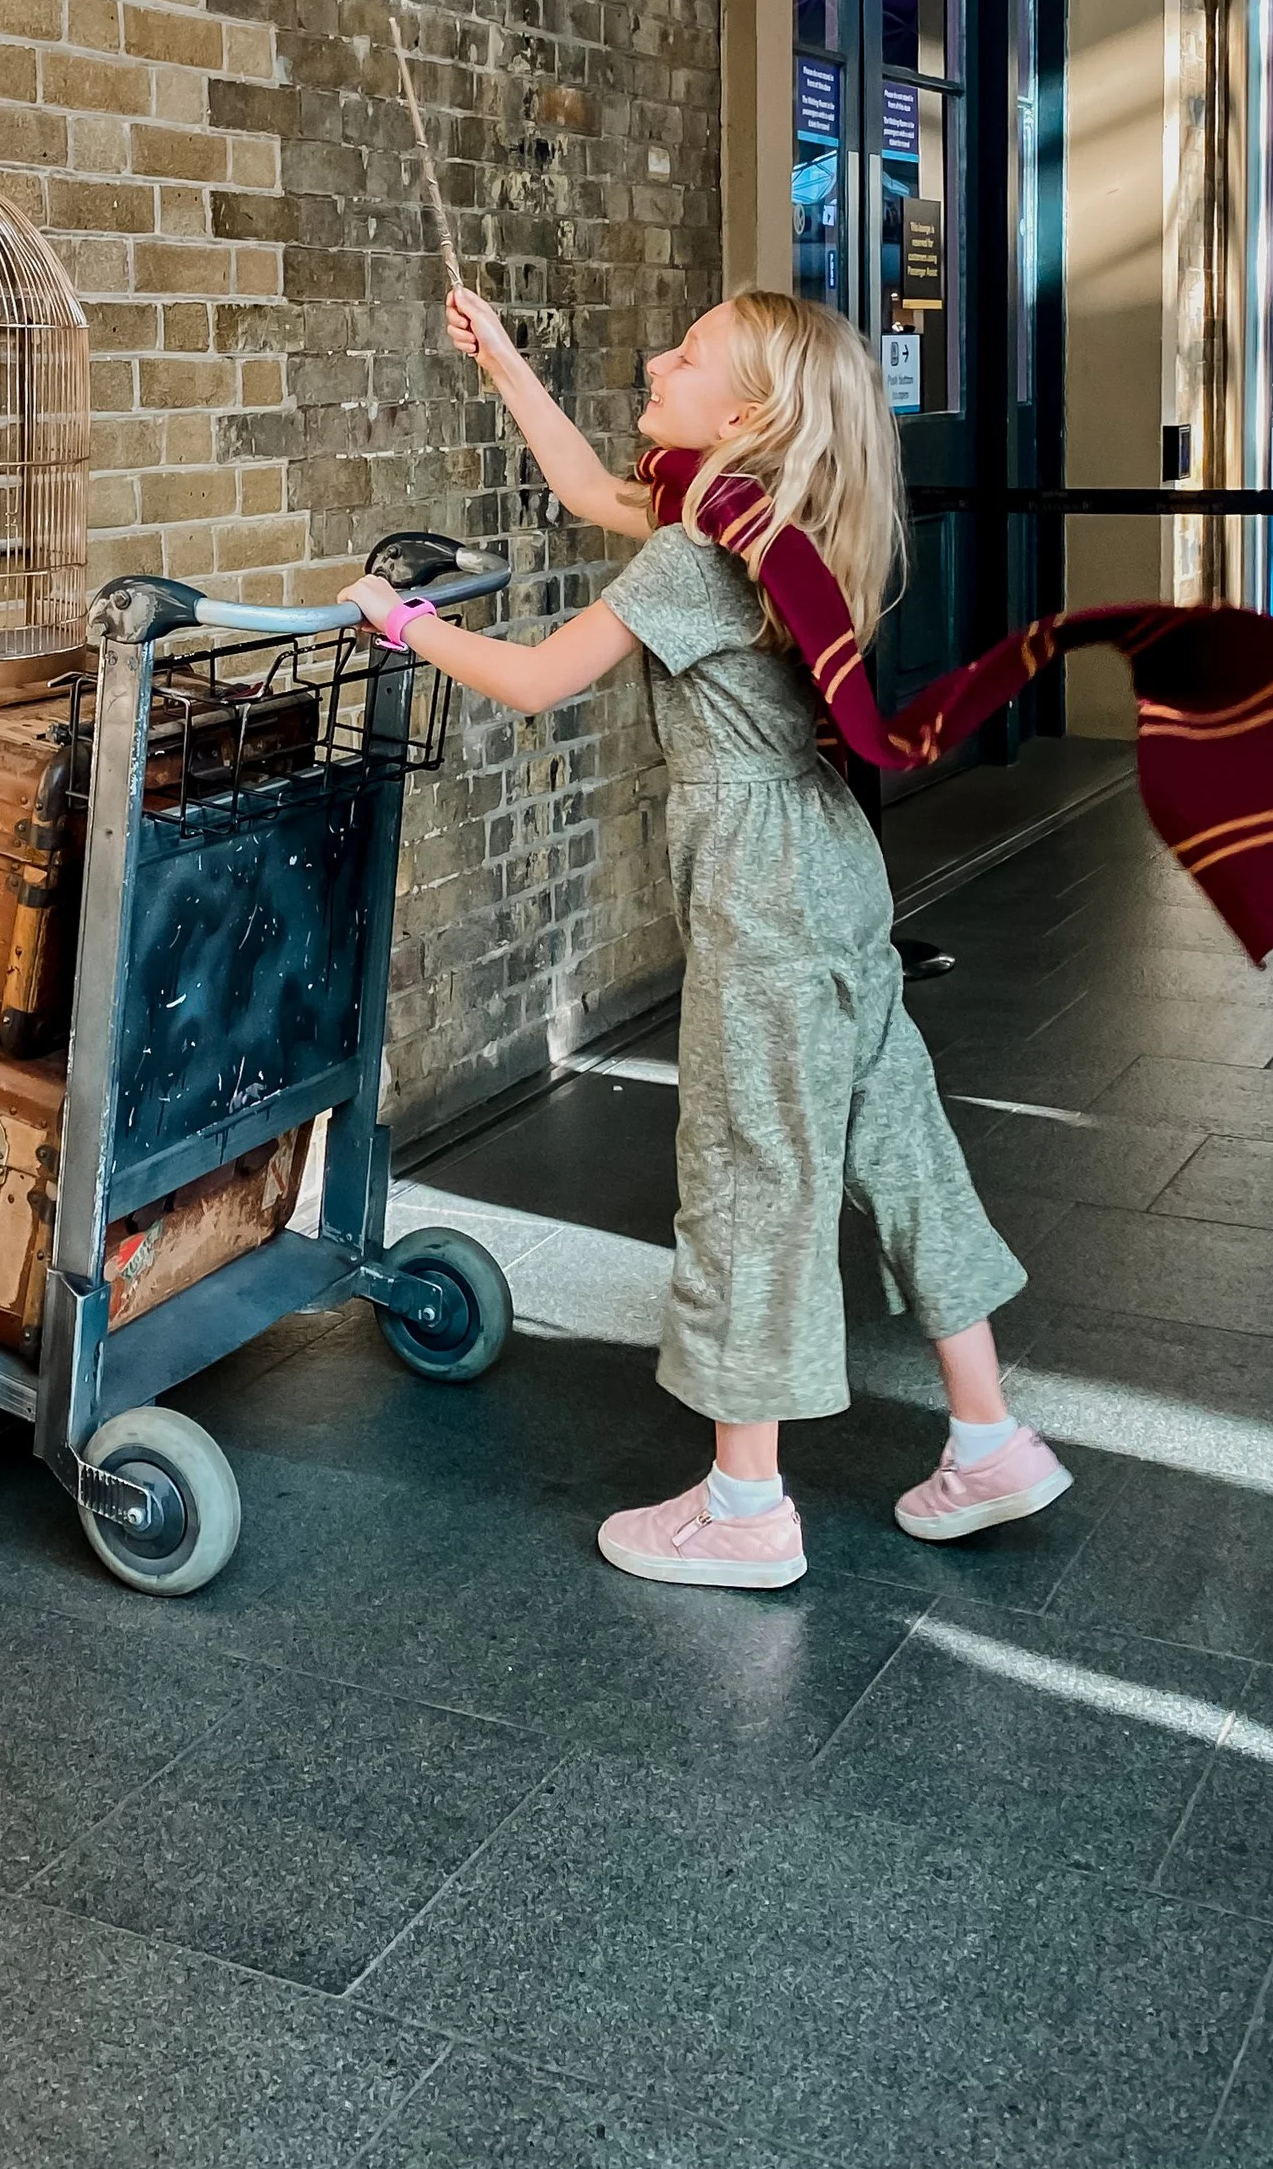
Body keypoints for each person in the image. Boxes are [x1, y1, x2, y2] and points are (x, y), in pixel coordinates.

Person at [339, 286, 1069, 1592]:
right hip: (837, 871)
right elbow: (585, 491)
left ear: (747, 413)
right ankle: (990, 1434)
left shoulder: (698, 550)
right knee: (895, 1141)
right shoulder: (766, 520)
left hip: (762, 890)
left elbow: (540, 675)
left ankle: (745, 1504)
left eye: (687, 355)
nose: (656, 358)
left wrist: (403, 624)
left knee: (749, 1176)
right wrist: (506, 356)